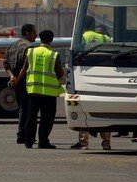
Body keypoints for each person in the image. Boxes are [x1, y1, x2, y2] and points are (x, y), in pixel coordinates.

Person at [16, 30, 64, 149]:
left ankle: (29, 141)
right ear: (51, 40)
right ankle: (43, 141)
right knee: (46, 119)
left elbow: (24, 69)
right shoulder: (54, 55)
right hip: (49, 93)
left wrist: (16, 80)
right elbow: (60, 73)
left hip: (33, 90)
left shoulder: (31, 52)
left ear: (40, 39)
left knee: (31, 117)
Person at [71, 16, 112, 150]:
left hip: (86, 76)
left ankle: (84, 143)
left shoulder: (82, 36)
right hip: (104, 76)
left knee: (84, 111)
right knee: (105, 112)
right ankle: (106, 143)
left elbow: (77, 52)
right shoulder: (104, 37)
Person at [4, 24, 37, 144]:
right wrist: (18, 78)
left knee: (21, 109)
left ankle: (21, 134)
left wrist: (12, 77)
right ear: (28, 33)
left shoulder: (12, 46)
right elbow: (26, 65)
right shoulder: (30, 47)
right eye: (34, 32)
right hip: (26, 82)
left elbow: (6, 63)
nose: (36, 35)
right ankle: (23, 135)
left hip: (16, 83)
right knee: (27, 110)